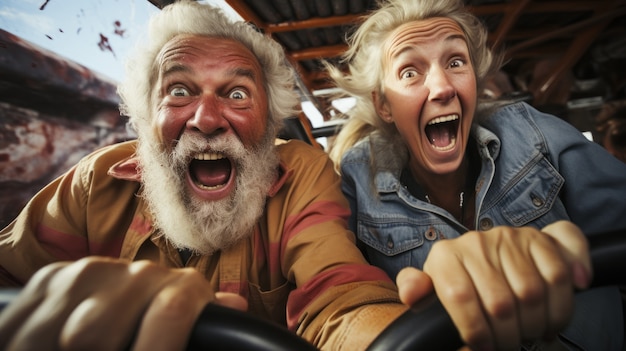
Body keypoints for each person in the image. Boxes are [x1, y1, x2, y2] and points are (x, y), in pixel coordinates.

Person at [0, 1, 596, 351]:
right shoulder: (91, 183)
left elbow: (339, 299)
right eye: (179, 91)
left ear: (269, 121)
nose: (207, 118)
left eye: (236, 92)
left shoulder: (304, 174)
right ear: (145, 112)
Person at [326, 0, 626, 349]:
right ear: (384, 105)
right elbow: (343, 302)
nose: (442, 88)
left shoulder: (531, 133)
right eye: (410, 71)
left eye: (456, 62)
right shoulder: (358, 180)